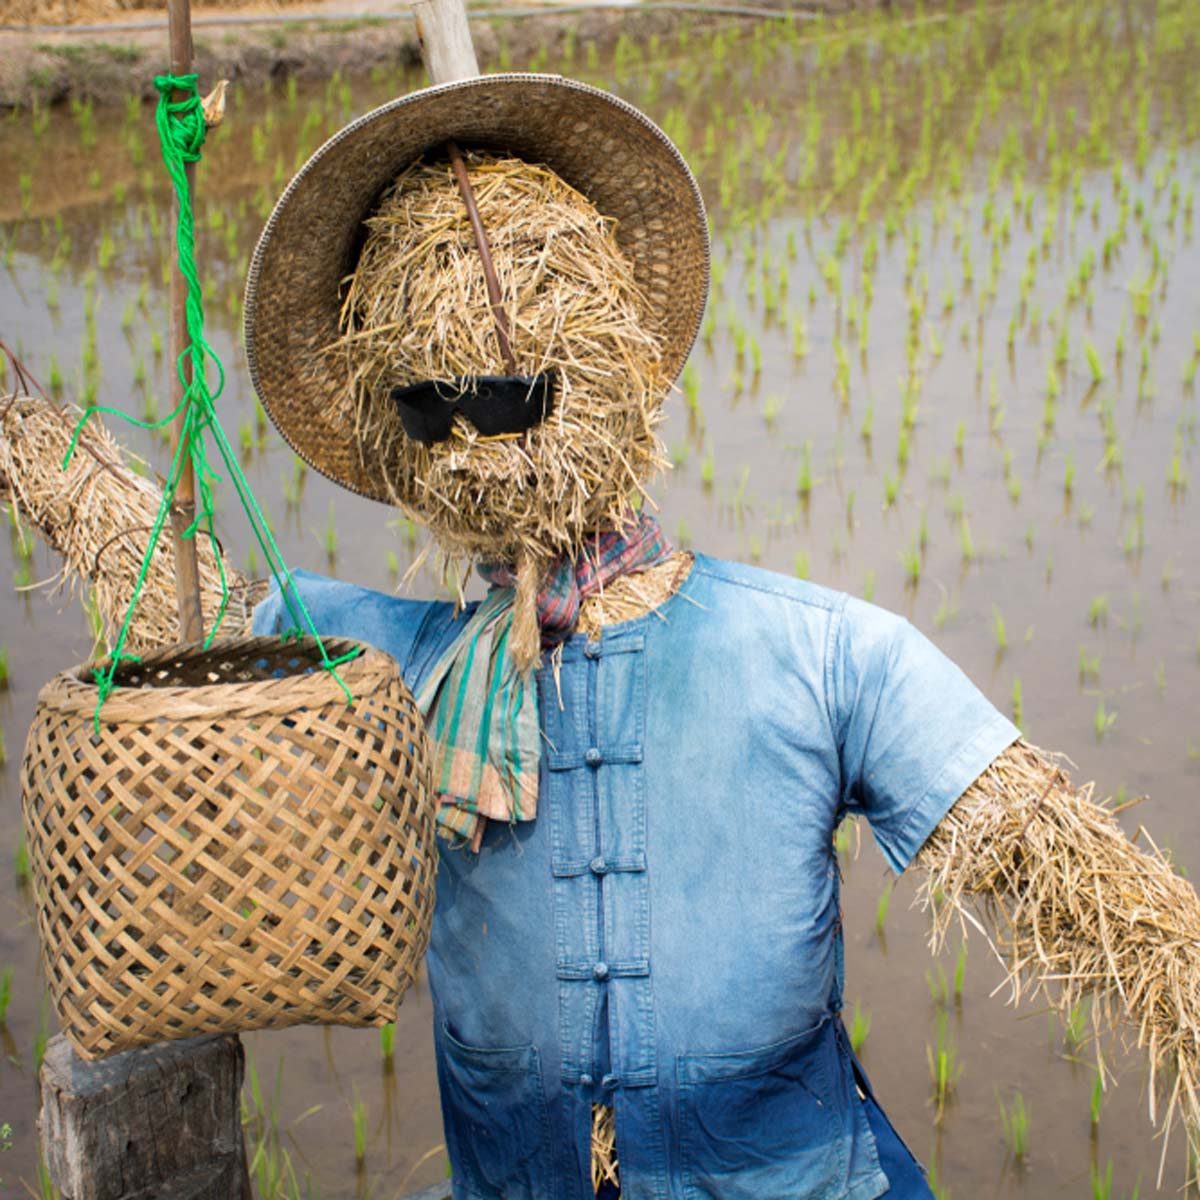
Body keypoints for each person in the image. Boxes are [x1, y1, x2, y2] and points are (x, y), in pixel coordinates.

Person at [245, 73, 1199, 1199]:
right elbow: (180, 606)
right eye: (427, 409)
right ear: (385, 425)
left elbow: (1103, 904)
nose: (468, 443)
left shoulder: (828, 657)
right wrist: (41, 455)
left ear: (613, 369)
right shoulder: (384, 671)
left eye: (512, 397)